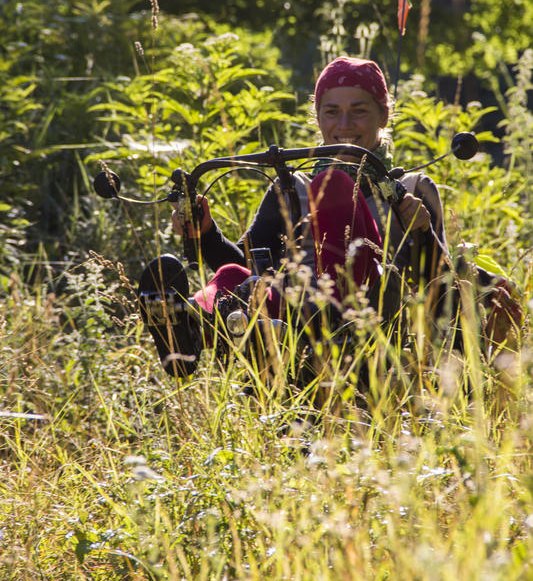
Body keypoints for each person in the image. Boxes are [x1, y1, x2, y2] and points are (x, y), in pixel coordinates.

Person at [139, 56, 521, 376]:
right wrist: (205, 234)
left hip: (372, 319)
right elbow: (250, 263)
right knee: (232, 277)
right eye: (332, 112)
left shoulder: (413, 188)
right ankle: (187, 323)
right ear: (317, 118)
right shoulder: (293, 187)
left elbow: (440, 282)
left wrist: (420, 229)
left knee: (335, 185)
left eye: (359, 112)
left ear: (383, 115)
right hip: (288, 312)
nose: (344, 126)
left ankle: (283, 328)